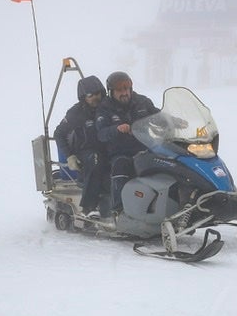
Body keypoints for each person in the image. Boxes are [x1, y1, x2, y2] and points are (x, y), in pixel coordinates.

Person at [96, 71, 159, 212]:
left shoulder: (142, 102)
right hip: (120, 152)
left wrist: (174, 121)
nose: (124, 92)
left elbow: (158, 115)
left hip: (145, 147)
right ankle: (119, 210)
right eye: (119, 90)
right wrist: (116, 129)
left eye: (126, 88)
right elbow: (101, 133)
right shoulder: (105, 108)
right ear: (111, 92)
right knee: (121, 165)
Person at [53, 75, 109, 215]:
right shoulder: (76, 113)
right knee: (96, 160)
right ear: (83, 97)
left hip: (109, 148)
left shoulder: (109, 106)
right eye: (90, 95)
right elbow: (59, 133)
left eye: (98, 94)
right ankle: (89, 207)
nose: (95, 98)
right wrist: (69, 156)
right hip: (86, 151)